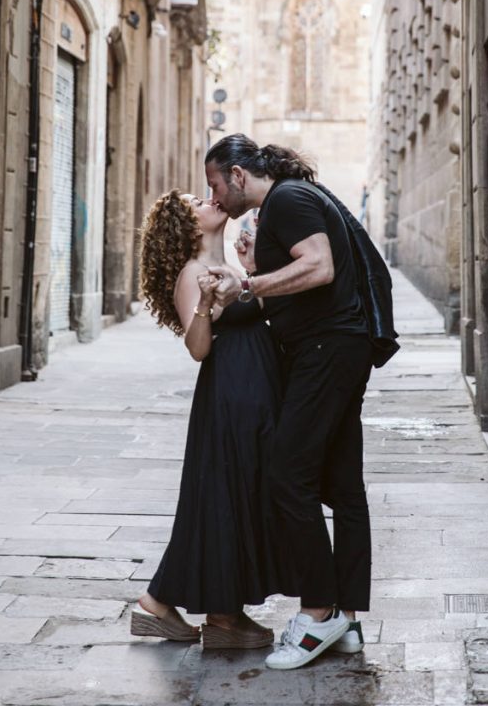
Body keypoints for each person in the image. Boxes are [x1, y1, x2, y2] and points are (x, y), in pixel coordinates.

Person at [205, 135, 391, 670]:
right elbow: (297, 276)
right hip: (337, 346)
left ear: (238, 174)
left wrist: (249, 285)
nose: (213, 195)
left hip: (326, 349)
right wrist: (254, 269)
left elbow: (319, 266)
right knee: (343, 484)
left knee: (288, 475)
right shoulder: (291, 200)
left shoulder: (286, 199)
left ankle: (316, 616)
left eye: (215, 182)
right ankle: (348, 620)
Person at [130, 189, 291, 649]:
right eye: (197, 202)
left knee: (233, 495)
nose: (210, 200)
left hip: (251, 391)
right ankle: (220, 617)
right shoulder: (192, 273)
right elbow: (199, 347)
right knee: (227, 497)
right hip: (230, 397)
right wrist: (204, 301)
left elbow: (254, 307)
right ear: (186, 225)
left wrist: (253, 270)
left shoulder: (230, 263)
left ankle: (161, 605)